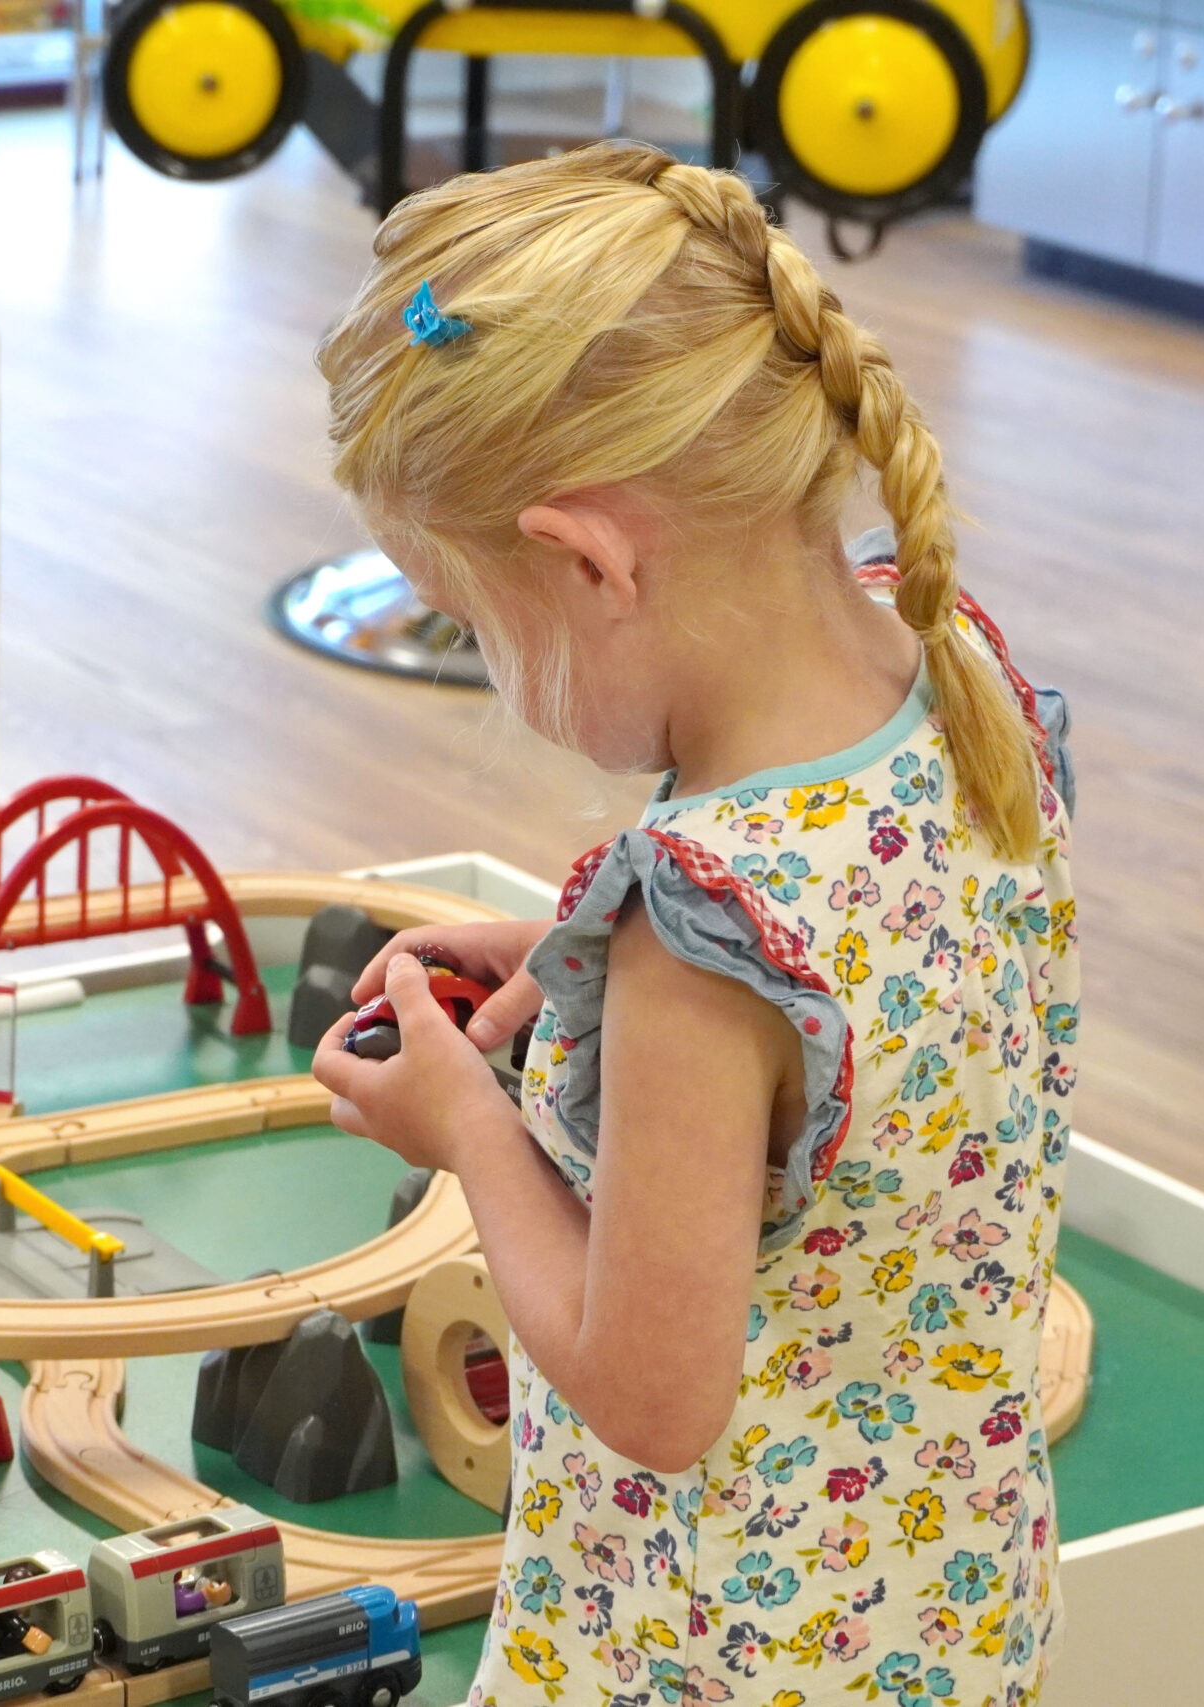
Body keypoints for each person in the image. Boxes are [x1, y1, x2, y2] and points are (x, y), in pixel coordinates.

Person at [308, 142, 1078, 1707]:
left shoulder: (697, 943)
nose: (493, 678)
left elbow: (652, 1395)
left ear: (589, 561)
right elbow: (861, 1014)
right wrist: (576, 951)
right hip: (946, 1618)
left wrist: (470, 1129)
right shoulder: (959, 673)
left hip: (699, 1651)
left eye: (476, 626)